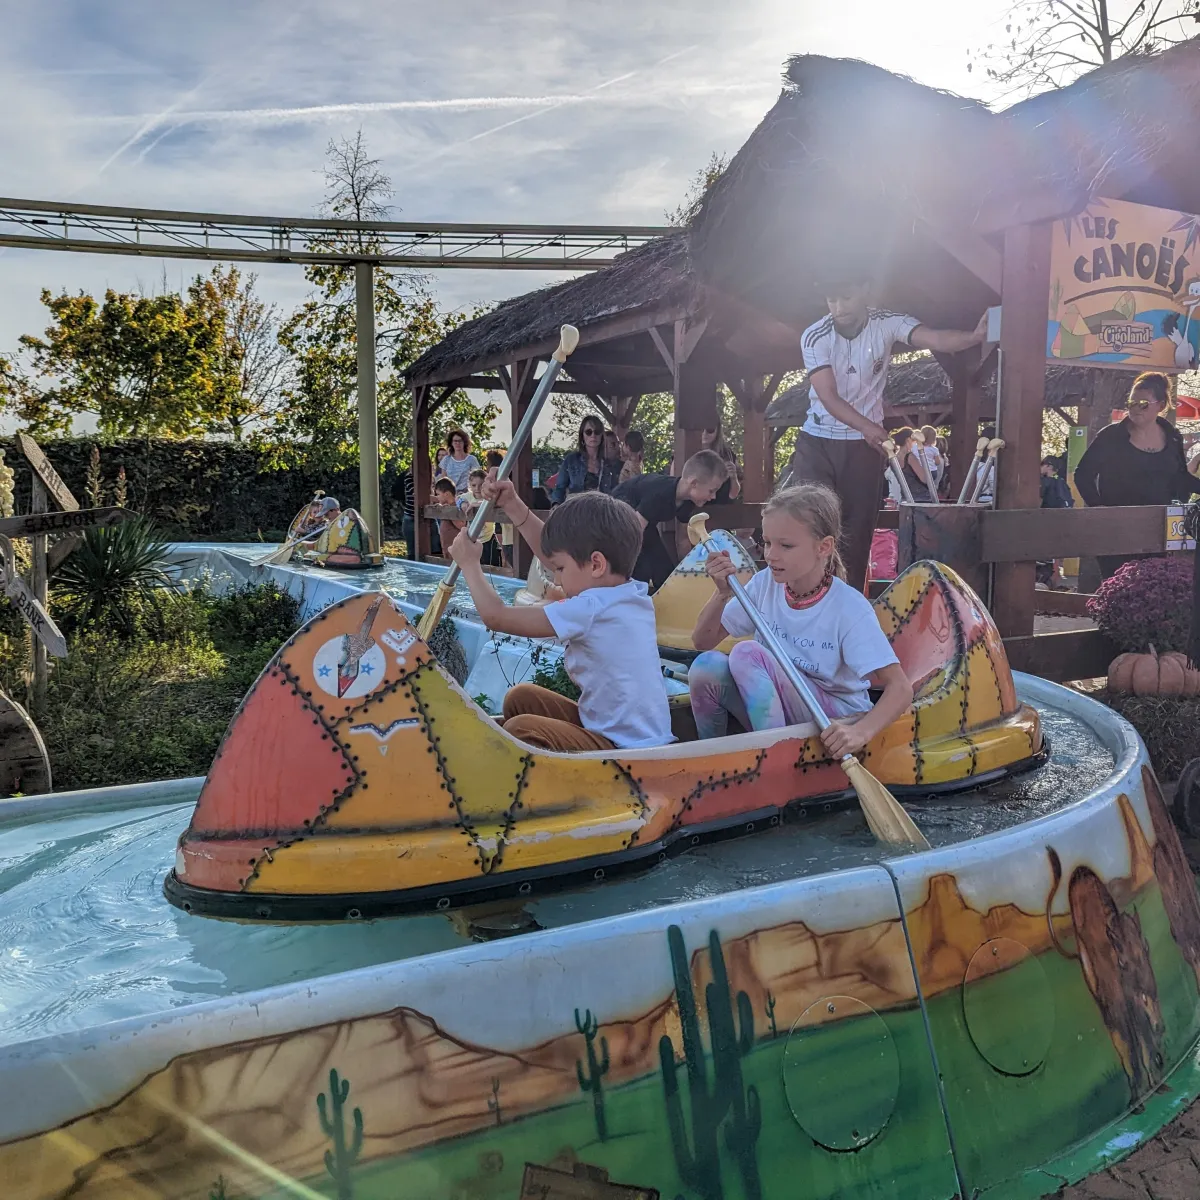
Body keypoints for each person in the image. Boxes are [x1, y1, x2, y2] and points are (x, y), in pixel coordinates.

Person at [792, 272, 987, 588]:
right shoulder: (815, 336)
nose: (838, 307)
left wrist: (974, 337)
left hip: (863, 450)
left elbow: (935, 339)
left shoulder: (888, 322)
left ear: (865, 290)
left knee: (857, 535)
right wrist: (870, 427)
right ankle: (803, 598)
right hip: (818, 442)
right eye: (832, 299)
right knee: (809, 524)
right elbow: (827, 396)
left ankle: (851, 606)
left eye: (847, 297)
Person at [687, 484, 913, 747]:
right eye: (767, 542)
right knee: (706, 667)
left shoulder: (849, 608)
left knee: (747, 653)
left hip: (833, 721)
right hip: (782, 710)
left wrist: (861, 733)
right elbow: (702, 641)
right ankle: (711, 758)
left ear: (824, 547)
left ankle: (775, 764)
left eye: (786, 545)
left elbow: (900, 689)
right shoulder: (764, 584)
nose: (771, 555)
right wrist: (722, 593)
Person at [447, 488, 672, 752]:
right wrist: (512, 504)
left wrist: (470, 565)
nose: (556, 580)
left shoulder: (590, 607)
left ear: (597, 564)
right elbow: (562, 554)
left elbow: (496, 617)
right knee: (521, 699)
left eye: (560, 570)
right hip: (615, 731)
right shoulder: (629, 593)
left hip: (629, 750)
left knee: (520, 729)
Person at [1073, 371, 1200, 580]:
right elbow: (1083, 474)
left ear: (1160, 406)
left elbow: (1180, 478)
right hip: (1117, 530)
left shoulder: (1173, 438)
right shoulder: (1111, 436)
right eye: (1131, 402)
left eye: (1143, 403)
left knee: (1153, 589)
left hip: (1158, 531)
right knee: (1119, 588)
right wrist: (1097, 506)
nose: (1135, 408)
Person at [612, 450, 729, 592]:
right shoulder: (660, 494)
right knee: (640, 570)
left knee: (665, 572)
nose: (713, 497)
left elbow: (684, 539)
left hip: (645, 528)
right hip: (620, 521)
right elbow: (633, 532)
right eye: (711, 491)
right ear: (694, 483)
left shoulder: (687, 501)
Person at [551, 416, 621, 503]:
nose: (593, 435)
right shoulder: (571, 460)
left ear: (602, 436)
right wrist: (555, 505)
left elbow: (615, 493)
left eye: (597, 432)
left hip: (601, 512)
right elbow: (560, 488)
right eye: (588, 432)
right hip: (576, 510)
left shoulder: (608, 464)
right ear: (582, 435)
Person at [1036, 457, 1073, 590]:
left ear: (1048, 466)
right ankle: (1053, 580)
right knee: (1054, 554)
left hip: (1042, 522)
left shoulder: (1043, 482)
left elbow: (1037, 503)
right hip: (1059, 521)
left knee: (1042, 555)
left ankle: (1045, 581)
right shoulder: (1061, 483)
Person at [458, 469, 501, 566]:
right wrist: (462, 504)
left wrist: (477, 504)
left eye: (480, 485)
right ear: (469, 485)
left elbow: (494, 502)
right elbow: (458, 498)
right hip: (472, 538)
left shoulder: (489, 496)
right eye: (473, 485)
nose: (477, 488)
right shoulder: (467, 496)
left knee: (492, 567)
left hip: (488, 539)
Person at [889, 427, 935, 503]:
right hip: (920, 497)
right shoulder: (910, 457)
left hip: (905, 496)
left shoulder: (893, 459)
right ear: (908, 440)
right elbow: (925, 479)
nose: (915, 443)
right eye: (914, 441)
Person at [702, 419, 742, 502]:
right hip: (694, 509)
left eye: (710, 430)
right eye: (701, 429)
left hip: (723, 508)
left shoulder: (727, 454)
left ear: (718, 430)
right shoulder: (685, 451)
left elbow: (733, 494)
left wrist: (733, 477)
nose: (704, 433)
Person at [440, 430, 481, 495]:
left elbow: (478, 478)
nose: (457, 443)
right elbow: (443, 481)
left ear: (464, 442)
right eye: (455, 441)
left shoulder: (472, 459)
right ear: (451, 443)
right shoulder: (446, 459)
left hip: (467, 495)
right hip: (450, 495)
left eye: (460, 441)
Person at [433, 477, 460, 554]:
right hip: (446, 548)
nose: (437, 497)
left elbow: (461, 525)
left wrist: (449, 513)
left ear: (447, 494)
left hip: (456, 550)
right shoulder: (445, 507)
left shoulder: (455, 507)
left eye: (438, 494)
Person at [394, 468, 417, 560]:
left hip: (426, 517)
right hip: (410, 516)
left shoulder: (430, 478)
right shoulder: (408, 477)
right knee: (411, 550)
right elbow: (415, 493)